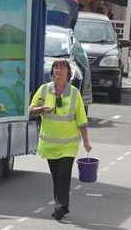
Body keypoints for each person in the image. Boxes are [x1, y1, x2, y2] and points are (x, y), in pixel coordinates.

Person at [30, 59, 91, 221]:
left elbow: (82, 120)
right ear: (52, 72)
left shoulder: (74, 93)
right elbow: (30, 110)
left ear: (68, 74)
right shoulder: (44, 90)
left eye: (62, 68)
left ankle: (61, 205)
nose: (58, 71)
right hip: (49, 145)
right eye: (56, 68)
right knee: (56, 176)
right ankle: (61, 204)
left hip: (68, 145)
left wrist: (86, 141)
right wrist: (41, 109)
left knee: (63, 174)